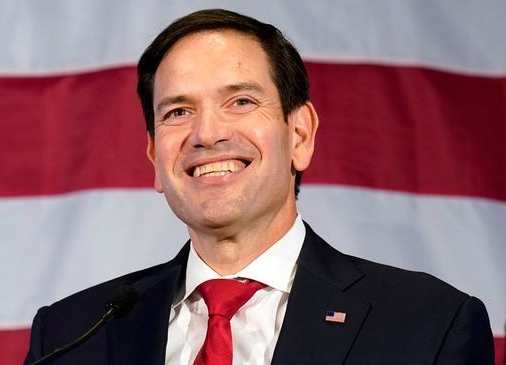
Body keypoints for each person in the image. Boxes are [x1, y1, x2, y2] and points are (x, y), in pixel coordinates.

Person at [24, 9, 494, 364]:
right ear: (154, 158)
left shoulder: (430, 325)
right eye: (177, 112)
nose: (206, 134)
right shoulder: (71, 332)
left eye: (241, 101)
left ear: (300, 135)